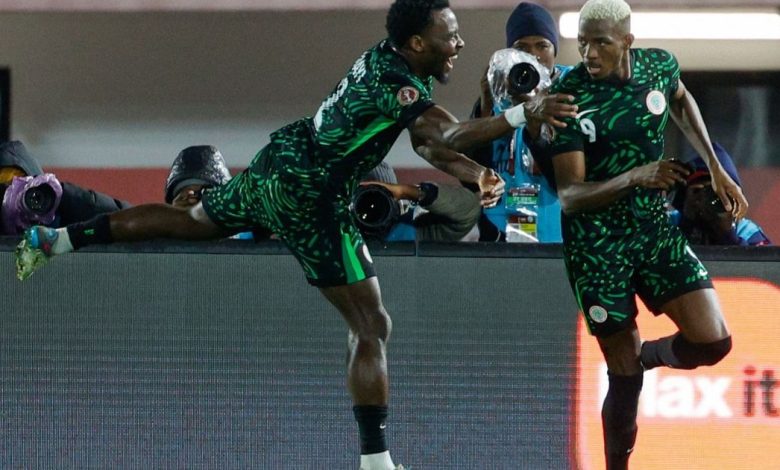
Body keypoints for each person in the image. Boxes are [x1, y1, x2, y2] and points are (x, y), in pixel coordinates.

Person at [12, 1, 558, 468]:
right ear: (417, 43)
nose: (459, 44)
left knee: (190, 220)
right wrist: (521, 114)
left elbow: (428, 143)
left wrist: (475, 173)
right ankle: (375, 462)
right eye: (450, 36)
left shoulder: (388, 60)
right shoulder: (399, 87)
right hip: (312, 200)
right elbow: (451, 132)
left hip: (281, 162)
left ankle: (59, 240)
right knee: (371, 325)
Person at [529, 0, 749, 468]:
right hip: (596, 246)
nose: (589, 53)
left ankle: (650, 354)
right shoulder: (569, 98)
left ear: (627, 41)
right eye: (583, 43)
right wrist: (635, 176)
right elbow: (569, 194)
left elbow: (680, 99)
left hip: (652, 230)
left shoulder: (659, 66)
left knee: (714, 342)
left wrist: (714, 166)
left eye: (601, 43)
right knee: (624, 377)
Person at [467, 2, 577, 242]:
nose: (533, 55)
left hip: (560, 228)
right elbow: (471, 176)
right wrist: (486, 104)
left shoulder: (572, 91)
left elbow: (571, 175)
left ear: (555, 50)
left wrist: (535, 112)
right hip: (501, 228)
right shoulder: (500, 95)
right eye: (521, 47)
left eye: (542, 45)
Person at [0, 140, 131, 235]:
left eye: (25, 192)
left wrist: (66, 198)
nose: (15, 207)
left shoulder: (69, 224)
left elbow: (131, 222)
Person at [669, 142, 770, 246]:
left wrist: (728, 235)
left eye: (718, 194)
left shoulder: (746, 231)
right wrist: (687, 223)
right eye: (698, 191)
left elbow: (765, 256)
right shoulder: (668, 223)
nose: (708, 198)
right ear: (685, 194)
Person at [355, 161, 481, 242]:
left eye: (376, 199)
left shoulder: (415, 230)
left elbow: (469, 210)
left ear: (396, 202)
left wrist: (411, 192)